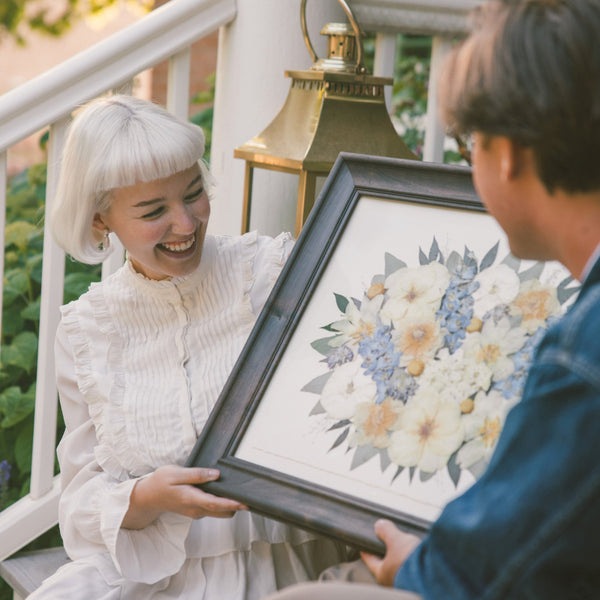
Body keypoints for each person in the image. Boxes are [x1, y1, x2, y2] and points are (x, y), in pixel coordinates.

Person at [263, 0, 600, 598]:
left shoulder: (583, 349)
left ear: (510, 153)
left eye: (469, 149)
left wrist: (412, 569)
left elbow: (482, 572)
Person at [29, 94, 349, 599]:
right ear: (100, 221)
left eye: (193, 193)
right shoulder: (88, 331)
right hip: (152, 574)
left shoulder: (269, 272)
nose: (186, 223)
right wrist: (144, 497)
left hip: (290, 566)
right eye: (154, 210)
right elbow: (82, 497)